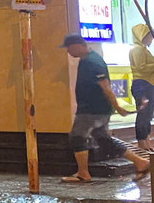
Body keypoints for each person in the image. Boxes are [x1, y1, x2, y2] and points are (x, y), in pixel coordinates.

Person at [62, 33, 148, 182]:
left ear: (78, 46)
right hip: (94, 109)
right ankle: (140, 162)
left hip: (92, 110)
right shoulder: (86, 60)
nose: (67, 51)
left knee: (77, 137)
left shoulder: (93, 62)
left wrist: (118, 107)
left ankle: (83, 173)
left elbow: (106, 87)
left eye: (69, 48)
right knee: (103, 140)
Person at [131, 24, 154, 151]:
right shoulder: (137, 50)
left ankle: (146, 141)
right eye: (149, 36)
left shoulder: (144, 50)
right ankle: (142, 143)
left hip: (148, 84)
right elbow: (141, 68)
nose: (151, 39)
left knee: (148, 115)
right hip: (142, 85)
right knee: (143, 114)